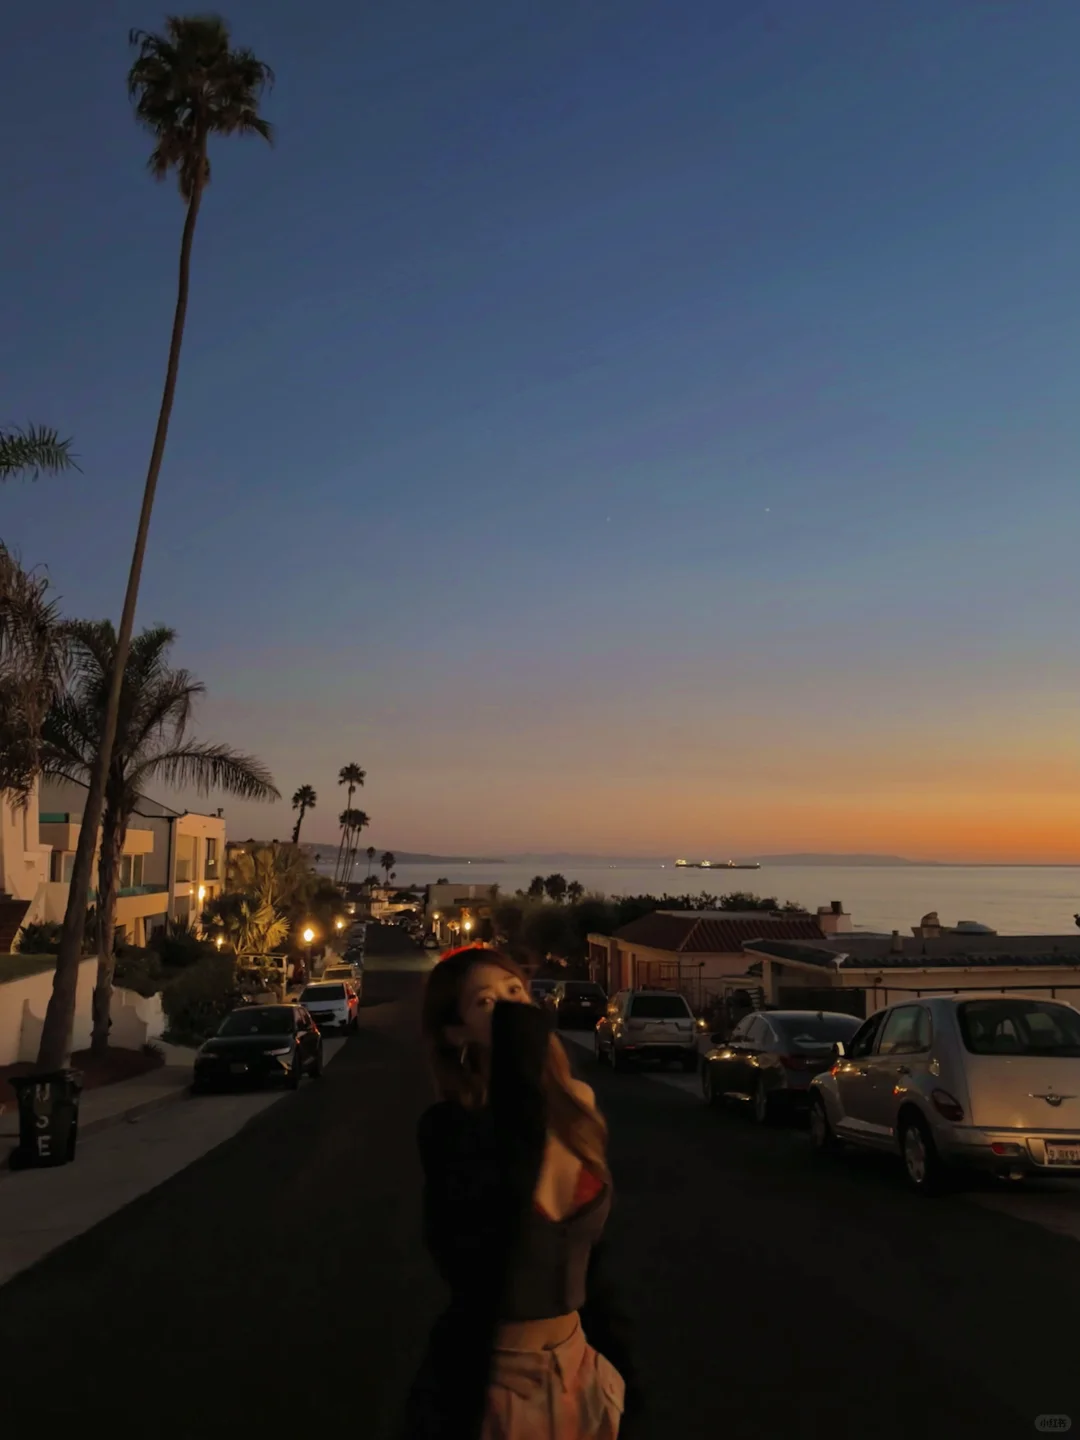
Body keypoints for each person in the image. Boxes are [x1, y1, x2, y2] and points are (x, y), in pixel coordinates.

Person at [403, 945, 642, 1439]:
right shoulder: (449, 1131)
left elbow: (595, 1257)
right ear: (455, 1034)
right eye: (486, 1003)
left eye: (516, 993)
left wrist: (624, 1369)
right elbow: (493, 1234)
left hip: (582, 1371)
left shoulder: (578, 1105)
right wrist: (518, 1060)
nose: (510, 1009)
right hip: (500, 1384)